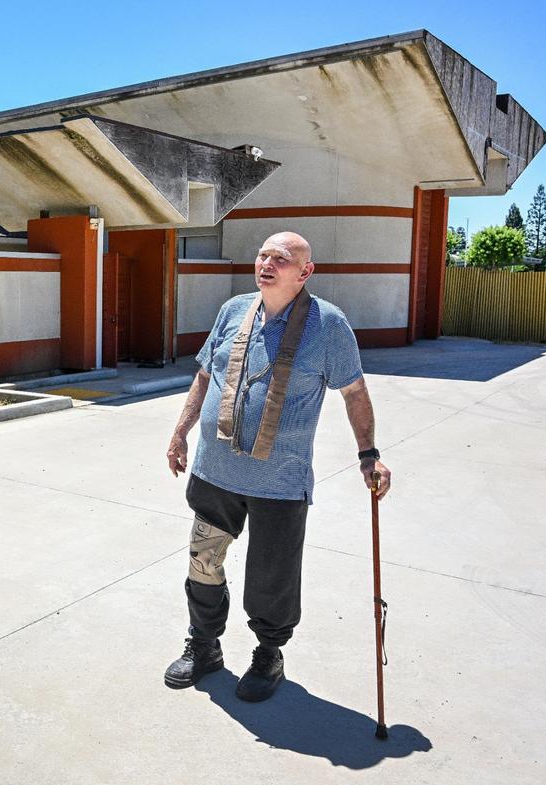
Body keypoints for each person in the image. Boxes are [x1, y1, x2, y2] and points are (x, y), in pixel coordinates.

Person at [162, 231, 391, 702]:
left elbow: (354, 392)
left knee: (272, 579)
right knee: (203, 563)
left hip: (280, 483)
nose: (266, 263)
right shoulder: (233, 310)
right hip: (214, 472)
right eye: (262, 255)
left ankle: (269, 653)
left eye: (280, 259)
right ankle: (204, 645)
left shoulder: (328, 325)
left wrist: (369, 454)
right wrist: (180, 431)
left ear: (305, 272)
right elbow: (207, 373)